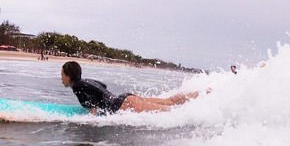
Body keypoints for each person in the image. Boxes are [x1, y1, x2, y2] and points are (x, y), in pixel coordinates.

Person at [61, 61, 200, 114]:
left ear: (68, 76)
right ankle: (200, 95)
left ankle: (197, 112)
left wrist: (92, 114)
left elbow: (95, 100)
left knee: (170, 112)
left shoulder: (77, 86)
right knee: (168, 102)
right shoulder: (86, 81)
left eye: (62, 75)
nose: (61, 78)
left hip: (122, 105)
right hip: (125, 98)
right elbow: (103, 86)